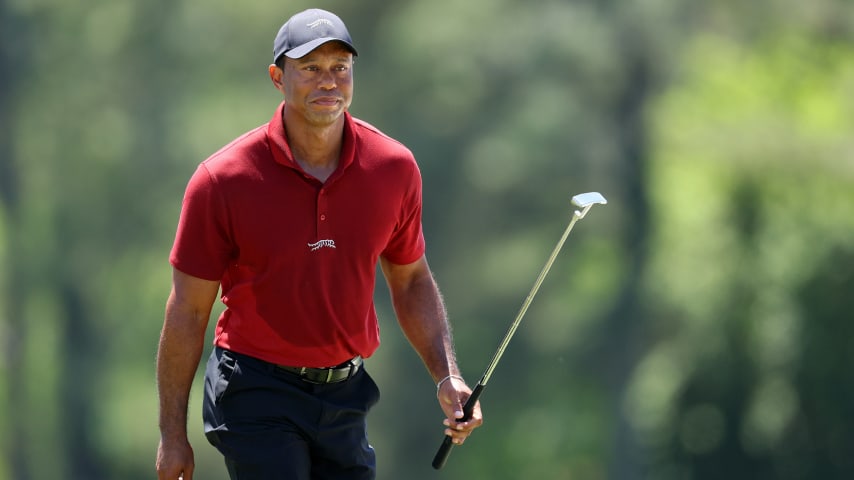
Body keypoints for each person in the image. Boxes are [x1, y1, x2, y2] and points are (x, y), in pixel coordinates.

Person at [155, 8, 483, 480]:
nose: (328, 81)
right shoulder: (222, 180)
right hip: (255, 390)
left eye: (340, 68)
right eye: (310, 68)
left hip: (345, 396)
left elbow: (411, 280)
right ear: (277, 77)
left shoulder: (393, 168)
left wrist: (446, 374)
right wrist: (172, 435)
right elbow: (187, 311)